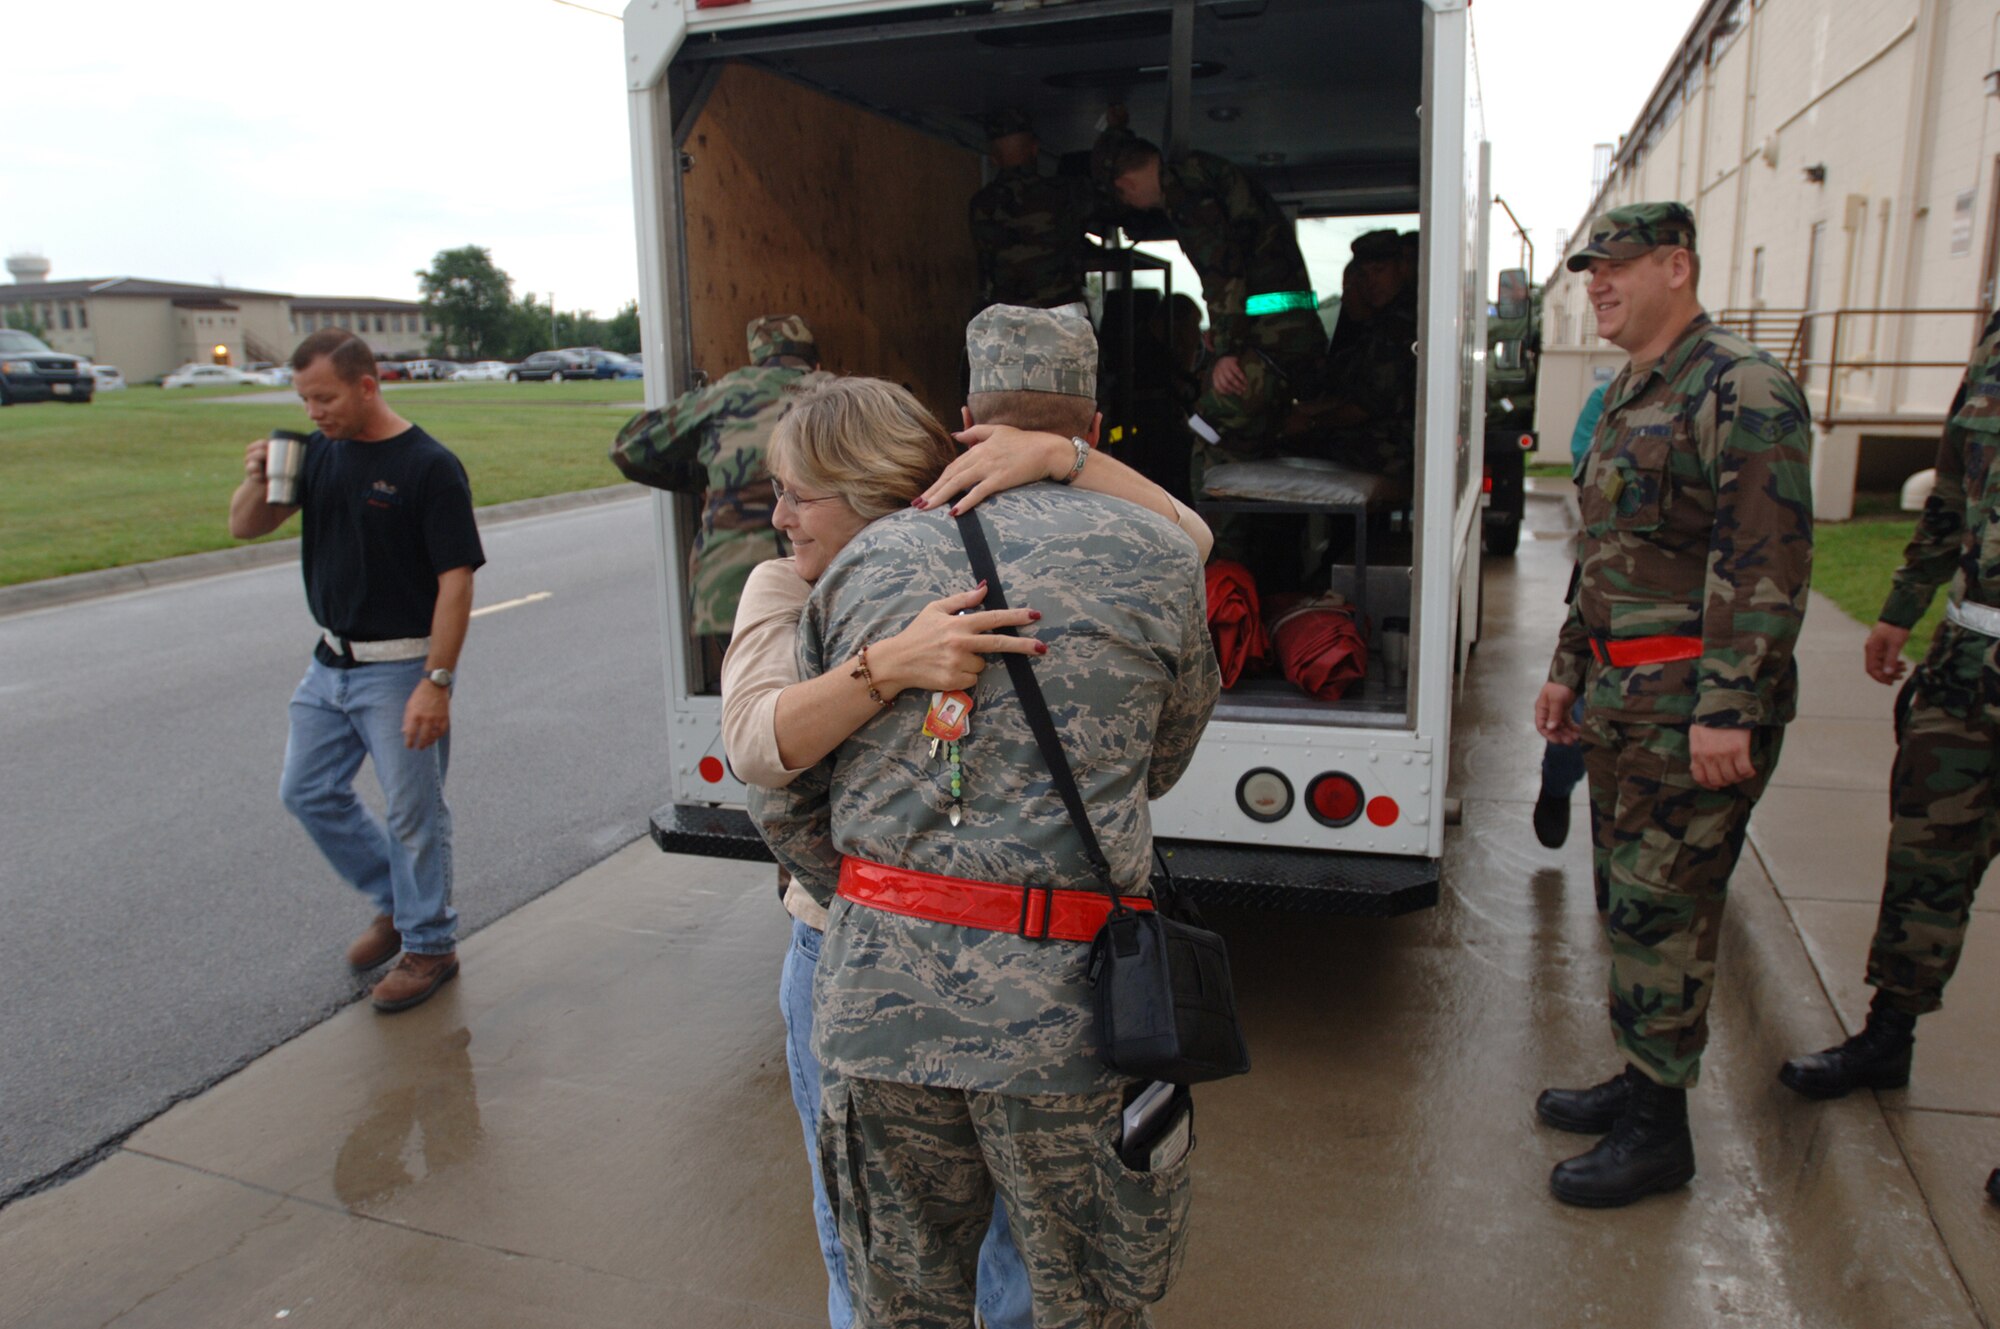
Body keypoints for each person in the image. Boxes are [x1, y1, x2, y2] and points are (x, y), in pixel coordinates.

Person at [722, 305, 1210, 1328]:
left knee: (898, 1298)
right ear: (1092, 418)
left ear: (962, 417)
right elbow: (1160, 763)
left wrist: (866, 900)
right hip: (1066, 1018)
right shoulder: (1162, 559)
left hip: (875, 998)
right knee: (1077, 1297)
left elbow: (778, 787)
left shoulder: (863, 564)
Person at [1530, 202, 1813, 1207]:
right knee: (1632, 908)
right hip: (1620, 701)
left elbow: (1766, 558)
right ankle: (1642, 1076)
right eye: (1586, 271)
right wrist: (1569, 665)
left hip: (1689, 707)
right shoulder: (1627, 394)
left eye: (1612, 268)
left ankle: (1661, 1134)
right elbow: (1598, 556)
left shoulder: (1740, 387)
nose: (1594, 286)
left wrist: (1727, 710)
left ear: (1674, 267)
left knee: (1666, 911)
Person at [1776, 309, 2000, 1204]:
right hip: (1969, 667)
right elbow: (1950, 493)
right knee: (1923, 862)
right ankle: (1887, 1037)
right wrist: (1902, 605)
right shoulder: (1993, 347)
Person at [227, 328, 485, 1014]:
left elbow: (455, 583)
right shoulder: (319, 455)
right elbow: (244, 527)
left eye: (325, 396)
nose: (314, 410)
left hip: (400, 667)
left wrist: (437, 681)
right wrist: (258, 478)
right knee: (306, 789)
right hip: (329, 665)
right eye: (304, 398)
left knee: (414, 813)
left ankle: (430, 944)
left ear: (367, 385)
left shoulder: (428, 465)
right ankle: (397, 902)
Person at [1092, 109, 1327, 492]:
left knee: (1206, 433)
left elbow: (1223, 272)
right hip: (1285, 338)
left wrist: (1227, 353)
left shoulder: (1185, 192)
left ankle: (1212, 547)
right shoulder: (1203, 173)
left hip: (1272, 344)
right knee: (1257, 440)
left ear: (1125, 185)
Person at [610, 315, 828, 674]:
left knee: (754, 703)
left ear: (756, 361)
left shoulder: (727, 392)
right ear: (814, 362)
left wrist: (707, 479)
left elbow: (628, 447)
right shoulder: (832, 392)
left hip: (730, 591)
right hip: (820, 585)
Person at [1531, 380, 1612, 853]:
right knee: (1578, 717)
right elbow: (1588, 471)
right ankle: (1556, 789)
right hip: (1605, 599)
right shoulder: (1609, 398)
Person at [1285, 228, 1418, 479]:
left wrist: (1310, 423)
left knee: (1289, 447)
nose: (1371, 283)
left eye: (1379, 271)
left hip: (1397, 447)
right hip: (1391, 437)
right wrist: (1307, 410)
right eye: (1365, 275)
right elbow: (1356, 393)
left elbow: (1366, 406)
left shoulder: (1398, 327)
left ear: (1402, 268)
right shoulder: (1384, 323)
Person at [969, 109, 1095, 312]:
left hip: (1010, 321)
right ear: (1035, 148)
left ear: (993, 159)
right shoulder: (1066, 192)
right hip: (1061, 317)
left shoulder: (981, 204)